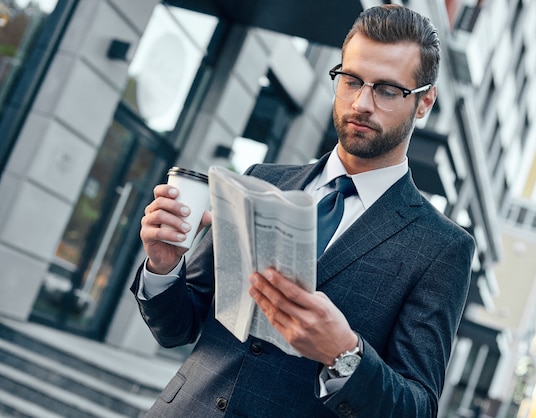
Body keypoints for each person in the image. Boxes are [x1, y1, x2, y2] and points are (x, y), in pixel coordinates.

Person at [133, 4, 475, 417]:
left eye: (387, 90)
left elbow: (417, 407)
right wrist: (164, 266)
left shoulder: (441, 248)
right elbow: (178, 327)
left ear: (424, 103)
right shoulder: (262, 180)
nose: (362, 103)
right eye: (352, 80)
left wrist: (344, 353)